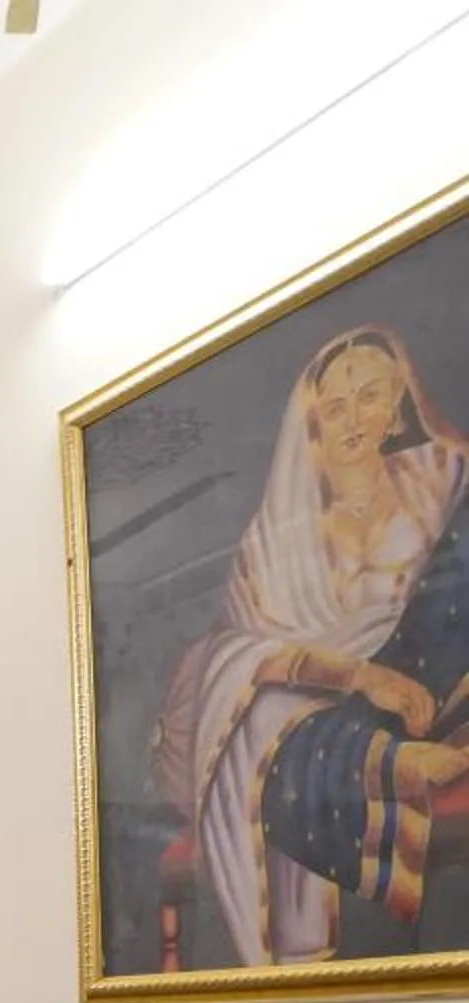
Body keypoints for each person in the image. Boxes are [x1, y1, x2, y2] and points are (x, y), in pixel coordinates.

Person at [154, 325, 469, 965]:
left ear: (396, 407)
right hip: (303, 721)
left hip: (433, 692)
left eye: (372, 396)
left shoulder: (440, 484)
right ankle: (387, 762)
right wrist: (360, 678)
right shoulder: (276, 539)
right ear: (314, 425)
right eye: (336, 406)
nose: (354, 418)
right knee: (258, 704)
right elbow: (239, 651)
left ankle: (391, 748)